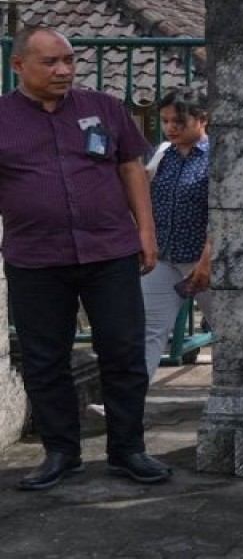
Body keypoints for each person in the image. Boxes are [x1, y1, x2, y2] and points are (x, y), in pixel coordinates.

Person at [0, 26, 171, 489]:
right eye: (50, 62)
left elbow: (131, 167)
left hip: (109, 250)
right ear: (19, 67)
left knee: (123, 350)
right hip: (35, 258)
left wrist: (146, 231)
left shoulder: (104, 108)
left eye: (69, 60)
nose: (63, 70)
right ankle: (61, 452)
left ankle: (128, 450)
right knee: (44, 358)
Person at [140, 87, 212, 380]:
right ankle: (124, 406)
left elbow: (223, 213)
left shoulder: (215, 157)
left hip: (202, 260)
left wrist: (207, 258)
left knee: (233, 331)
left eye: (179, 121)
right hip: (164, 258)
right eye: (166, 121)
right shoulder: (161, 155)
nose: (171, 127)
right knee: (146, 330)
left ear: (202, 119)